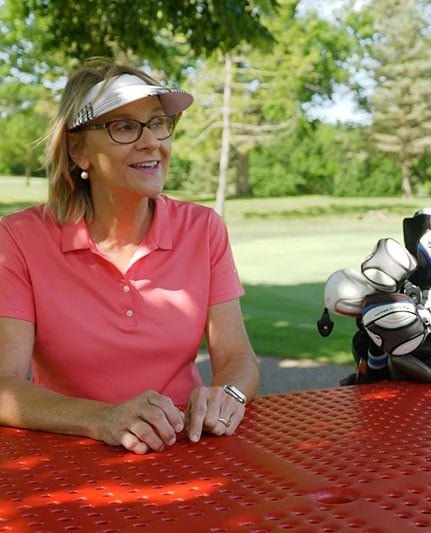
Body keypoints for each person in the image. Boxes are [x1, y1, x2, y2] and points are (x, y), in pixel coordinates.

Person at [0, 60, 259, 454]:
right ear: (77, 149)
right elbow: (5, 386)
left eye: (157, 122)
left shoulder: (204, 228)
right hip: (70, 457)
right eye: (123, 127)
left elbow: (238, 357)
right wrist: (103, 419)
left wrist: (228, 395)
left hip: (184, 450)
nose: (152, 141)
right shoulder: (18, 238)